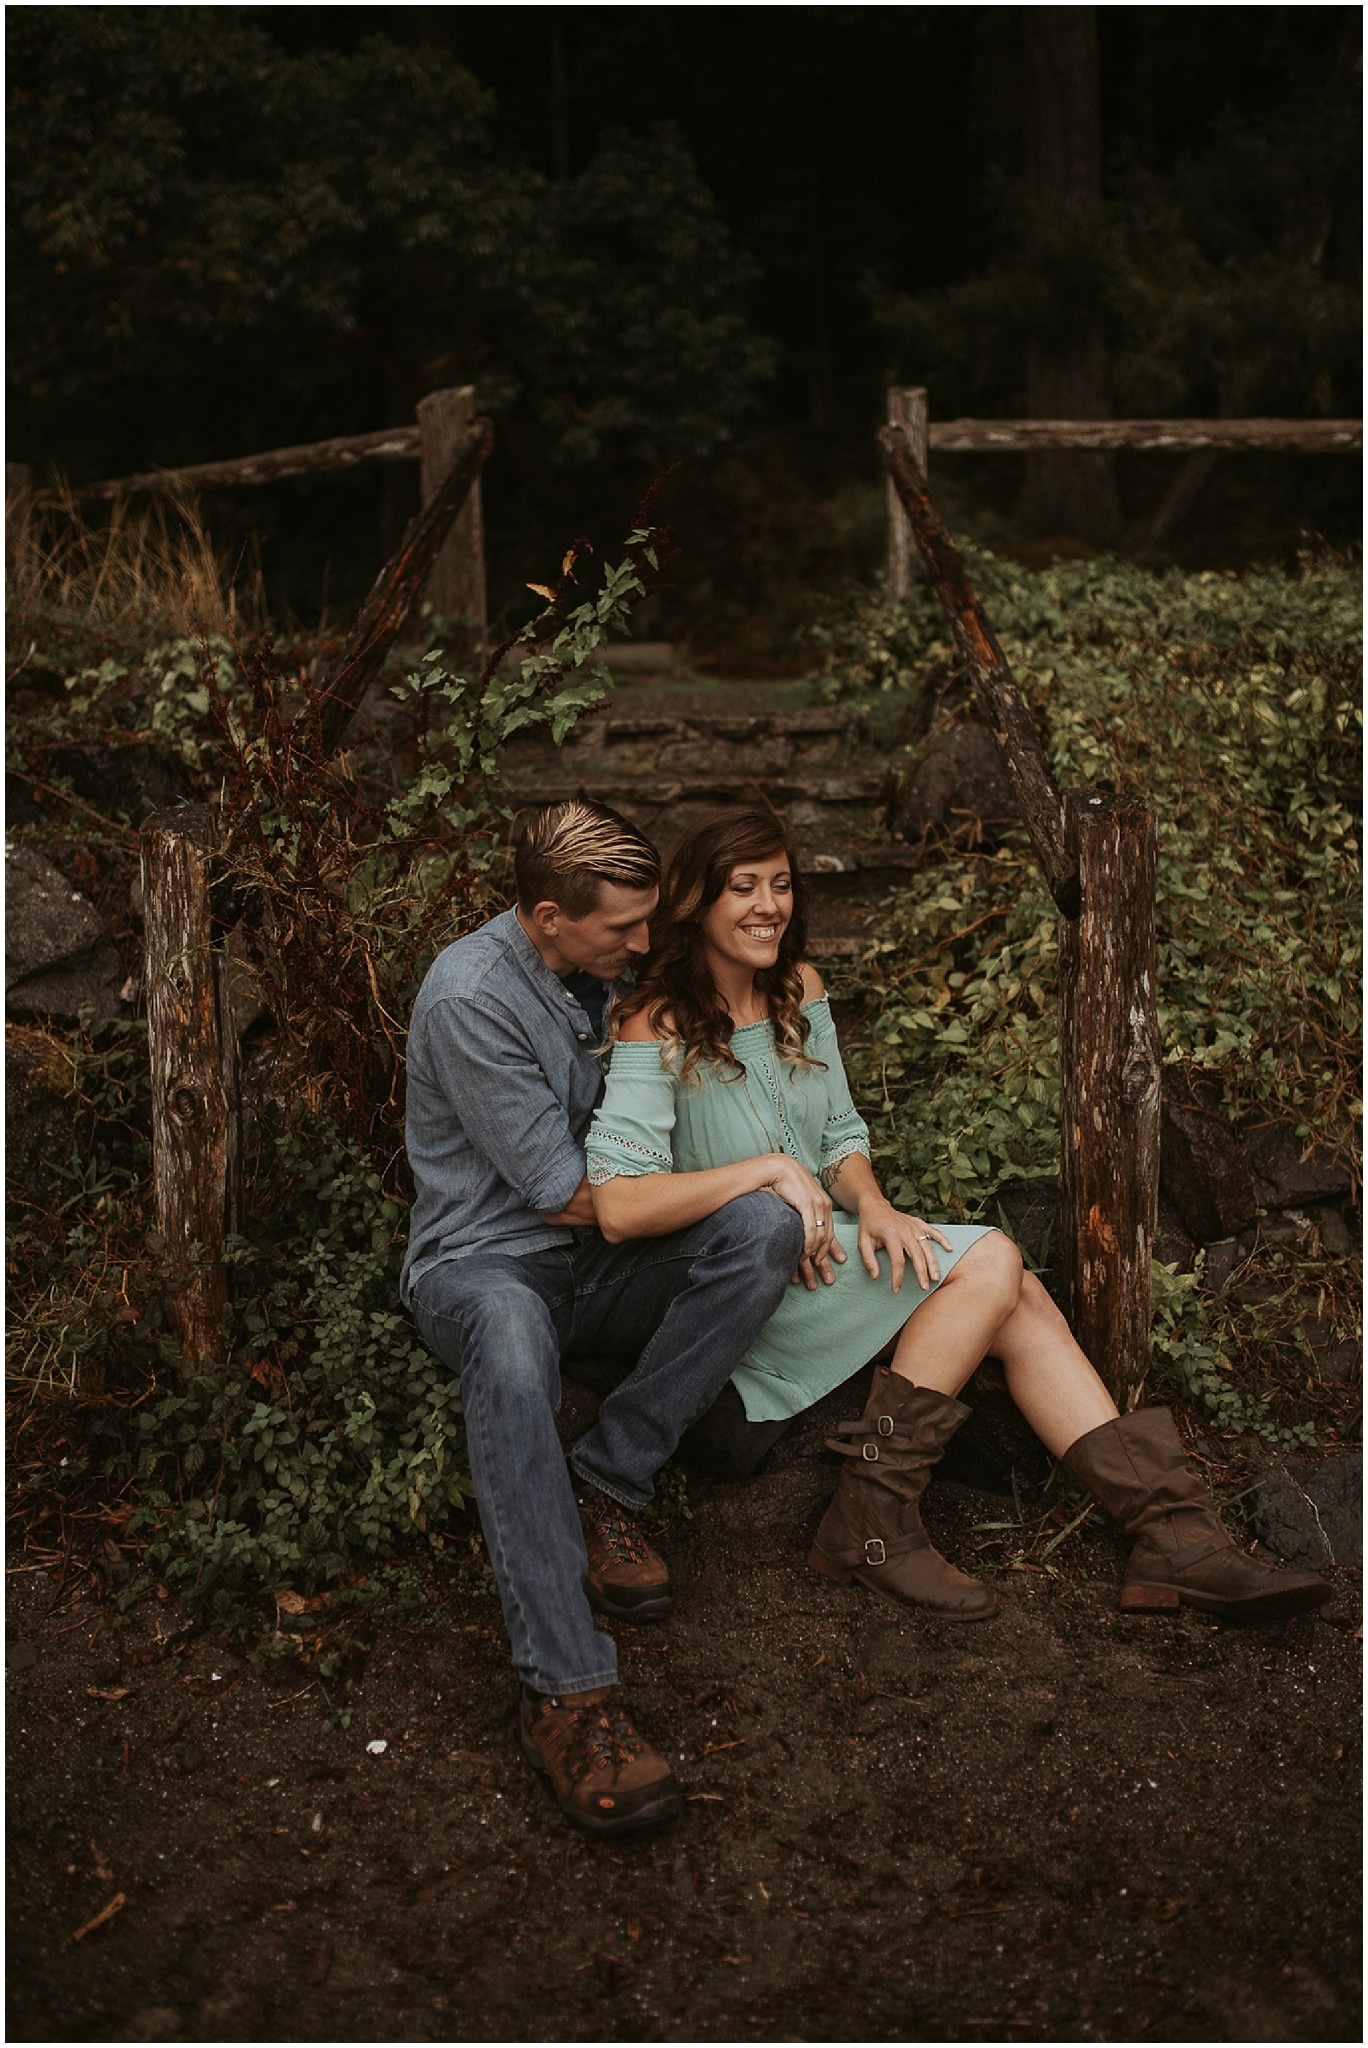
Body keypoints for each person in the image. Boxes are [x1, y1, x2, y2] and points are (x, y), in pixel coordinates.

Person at [586, 806, 1330, 1627]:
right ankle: (883, 1519)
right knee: (994, 1261)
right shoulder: (655, 1025)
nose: (770, 905)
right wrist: (765, 1178)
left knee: (1014, 1293)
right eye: (744, 888)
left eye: (783, 884)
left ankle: (1173, 1536)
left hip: (831, 1256)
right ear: (697, 902)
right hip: (746, 1290)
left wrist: (871, 1205)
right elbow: (620, 1204)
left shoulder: (800, 992)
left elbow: (837, 1135)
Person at [401, 798, 819, 1839]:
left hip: (602, 1260)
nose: (644, 946)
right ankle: (568, 1693)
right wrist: (759, 1164)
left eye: (647, 924)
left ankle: (607, 1480)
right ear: (547, 914)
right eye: (621, 931)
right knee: (507, 1339)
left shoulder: (607, 968)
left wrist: (790, 1183)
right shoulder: (470, 1000)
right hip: (487, 1261)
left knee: (763, 1231)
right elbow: (573, 1192)